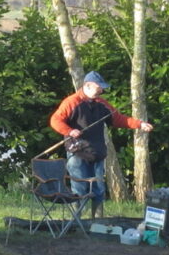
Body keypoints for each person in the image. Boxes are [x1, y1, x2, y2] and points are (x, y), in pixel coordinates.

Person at [50, 71, 153, 218]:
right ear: (87, 86)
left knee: (98, 190)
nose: (101, 91)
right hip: (77, 153)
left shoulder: (101, 104)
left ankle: (97, 221)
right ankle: (75, 223)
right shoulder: (71, 102)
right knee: (79, 189)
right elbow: (55, 120)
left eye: (101, 89)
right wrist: (70, 131)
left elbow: (118, 119)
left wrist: (140, 124)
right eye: (99, 88)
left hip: (97, 153)